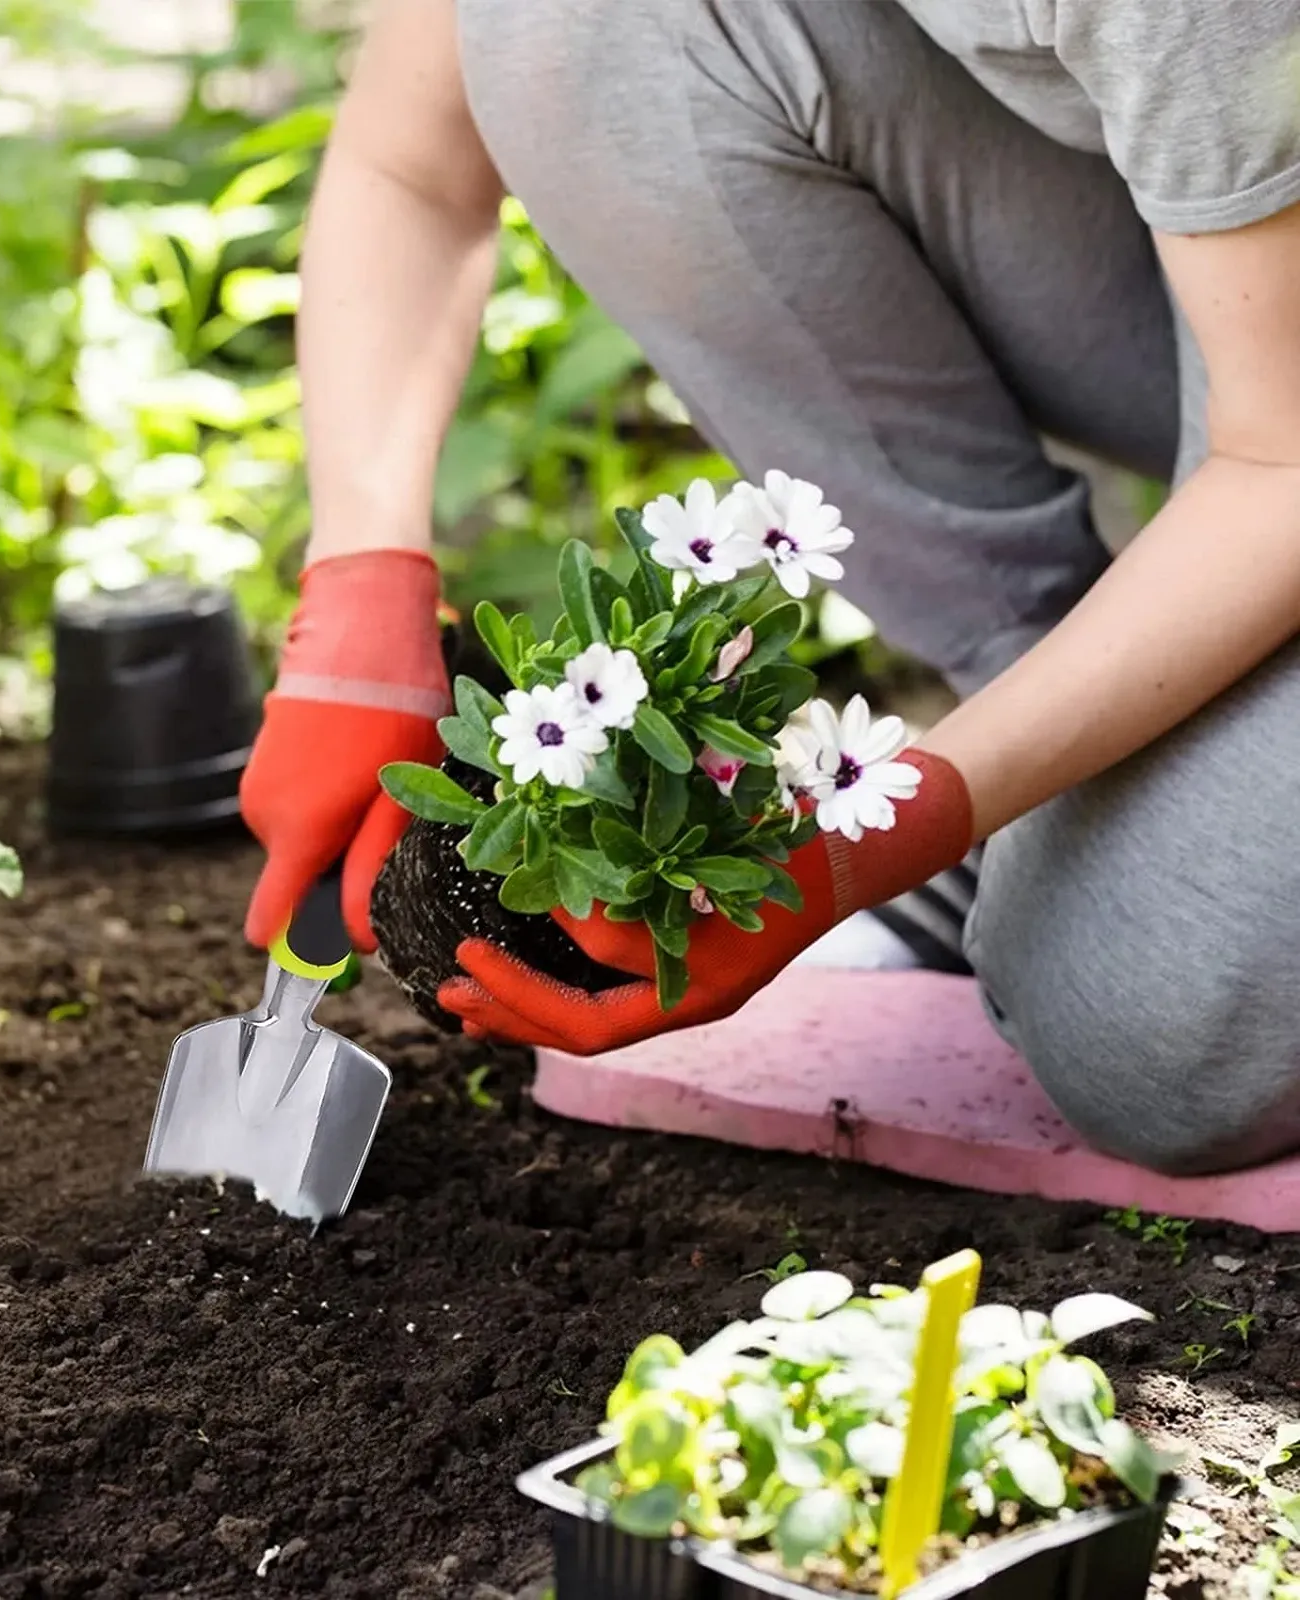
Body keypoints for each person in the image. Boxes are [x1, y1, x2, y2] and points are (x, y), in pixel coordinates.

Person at [239, 0, 1300, 1179]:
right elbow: (412, 162)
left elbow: (1282, 461)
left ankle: (1082, 833)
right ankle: (1065, 779)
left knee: (1154, 1045)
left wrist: (877, 842)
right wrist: (360, 586)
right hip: (1234, 261)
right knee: (576, 26)